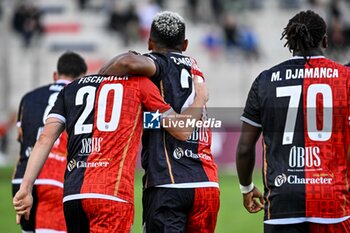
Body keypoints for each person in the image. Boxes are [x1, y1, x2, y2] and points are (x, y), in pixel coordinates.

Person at [13, 52, 209, 233]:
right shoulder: (139, 84)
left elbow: (44, 139)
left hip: (72, 197)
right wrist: (200, 97)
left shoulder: (72, 88)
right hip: (111, 195)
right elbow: (182, 129)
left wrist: (26, 187)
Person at [100, 11, 220, 233]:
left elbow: (127, 63)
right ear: (185, 44)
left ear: (150, 42)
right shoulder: (195, 67)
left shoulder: (159, 63)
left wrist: (97, 81)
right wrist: (150, 121)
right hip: (207, 183)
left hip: (169, 182)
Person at [236, 10, 350, 233]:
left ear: (289, 43)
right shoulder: (344, 78)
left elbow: (244, 148)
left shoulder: (265, 81)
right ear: (325, 41)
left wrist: (246, 187)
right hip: (332, 202)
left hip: (281, 204)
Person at [12, 52, 87, 233]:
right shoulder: (80, 97)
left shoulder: (28, 97)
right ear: (83, 77)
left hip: (23, 177)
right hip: (56, 178)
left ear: (55, 75)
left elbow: (21, 136)